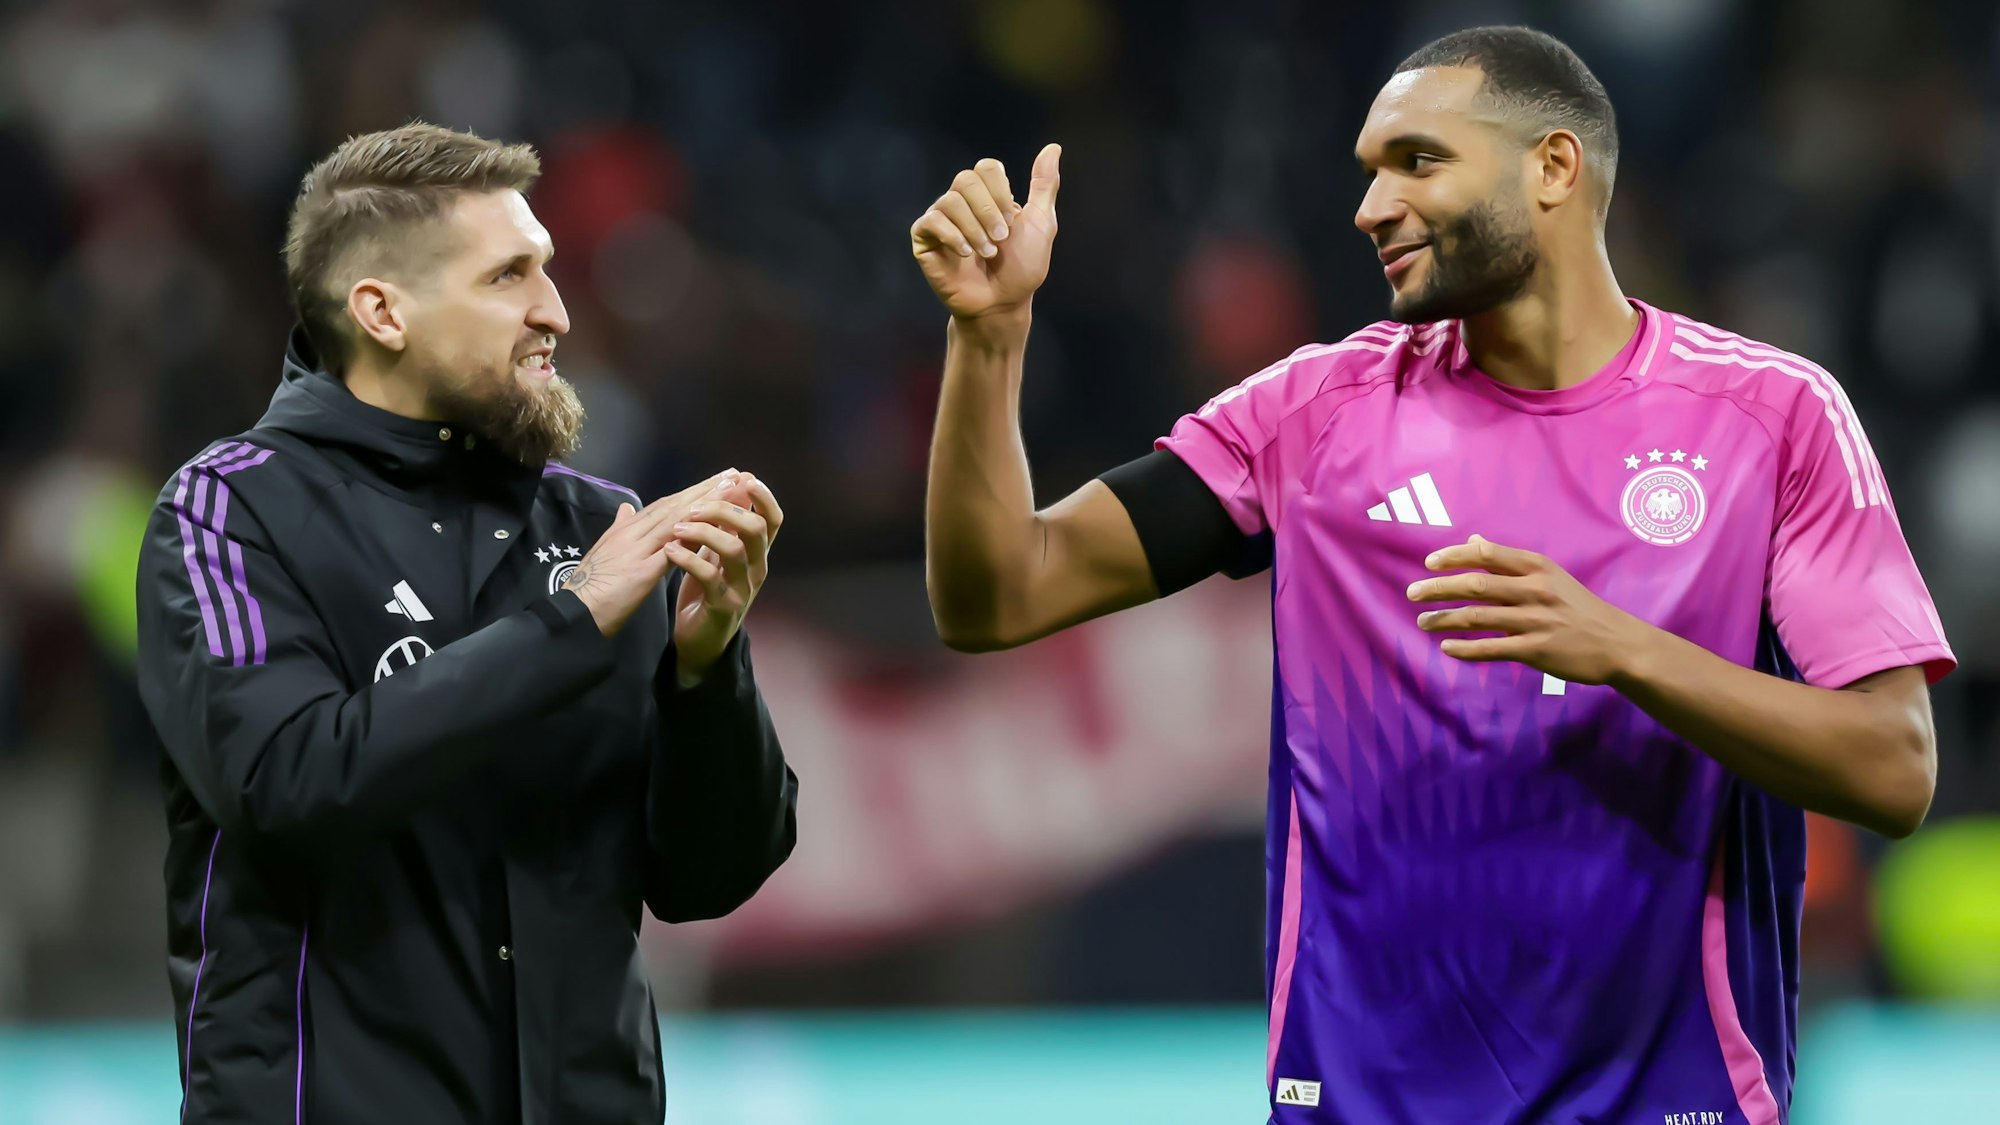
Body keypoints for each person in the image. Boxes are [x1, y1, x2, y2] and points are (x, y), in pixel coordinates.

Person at [911, 25, 1952, 1124]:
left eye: (1417, 160)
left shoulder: (1767, 419)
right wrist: (988, 340)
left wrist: (1624, 651)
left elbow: (1890, 768)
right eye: (1366, 170)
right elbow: (996, 597)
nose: (1369, 207)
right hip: (1363, 1107)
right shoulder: (1309, 420)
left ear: (1552, 167)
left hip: (1665, 1101)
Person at [135, 123, 798, 1124]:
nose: (556, 312)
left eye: (549, 270)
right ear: (381, 311)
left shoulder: (596, 526)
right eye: (508, 277)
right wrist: (571, 624)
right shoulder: (227, 513)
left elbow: (710, 878)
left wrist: (706, 675)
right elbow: (286, 780)